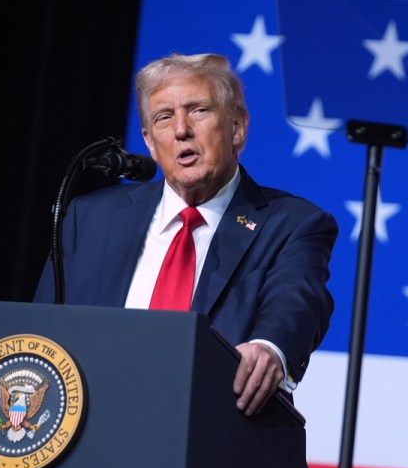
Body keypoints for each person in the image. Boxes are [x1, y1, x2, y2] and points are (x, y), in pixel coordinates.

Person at [34, 53, 338, 417]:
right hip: (92, 432)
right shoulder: (92, 218)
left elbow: (298, 301)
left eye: (198, 111)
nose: (181, 130)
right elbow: (39, 334)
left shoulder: (291, 223)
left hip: (213, 439)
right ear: (149, 142)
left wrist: (270, 348)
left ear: (237, 127)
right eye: (164, 117)